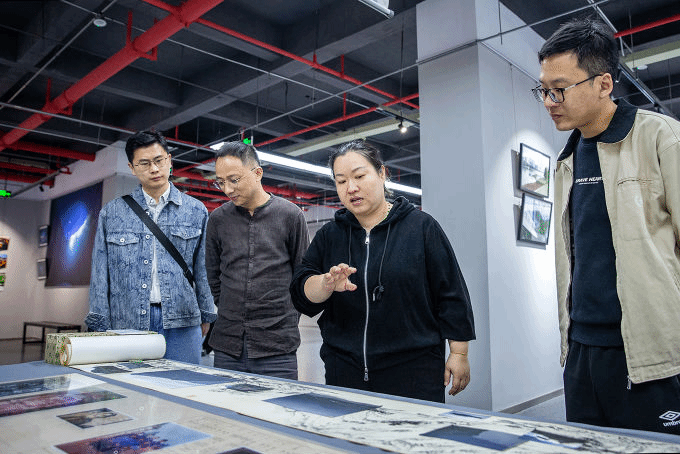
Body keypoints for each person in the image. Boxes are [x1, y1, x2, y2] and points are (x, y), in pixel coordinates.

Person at [535, 18, 680, 433]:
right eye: (543, 89)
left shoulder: (661, 137)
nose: (548, 101)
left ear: (603, 84)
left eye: (559, 89)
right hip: (581, 351)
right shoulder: (567, 159)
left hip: (649, 353)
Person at [290, 139, 475, 403]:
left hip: (414, 372)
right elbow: (301, 290)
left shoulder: (421, 228)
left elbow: (451, 293)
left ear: (382, 173)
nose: (351, 188)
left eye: (359, 176)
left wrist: (459, 353)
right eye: (341, 181)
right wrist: (324, 284)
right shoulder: (330, 235)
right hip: (344, 371)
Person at [86, 130, 215, 364]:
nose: (154, 169)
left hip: (182, 321)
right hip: (126, 321)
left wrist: (206, 313)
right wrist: (98, 321)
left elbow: (203, 268)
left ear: (170, 161)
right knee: (128, 385)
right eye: (144, 163)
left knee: (183, 382)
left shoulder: (196, 210)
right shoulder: (112, 213)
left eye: (159, 160)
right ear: (132, 168)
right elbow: (99, 273)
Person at [205, 141, 309, 380]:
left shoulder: (290, 215)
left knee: (277, 404)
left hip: (277, 348)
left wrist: (285, 318)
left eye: (234, 180)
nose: (227, 189)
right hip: (228, 346)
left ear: (258, 173)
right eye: (220, 182)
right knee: (224, 404)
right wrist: (231, 307)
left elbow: (301, 276)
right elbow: (213, 275)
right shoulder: (218, 220)